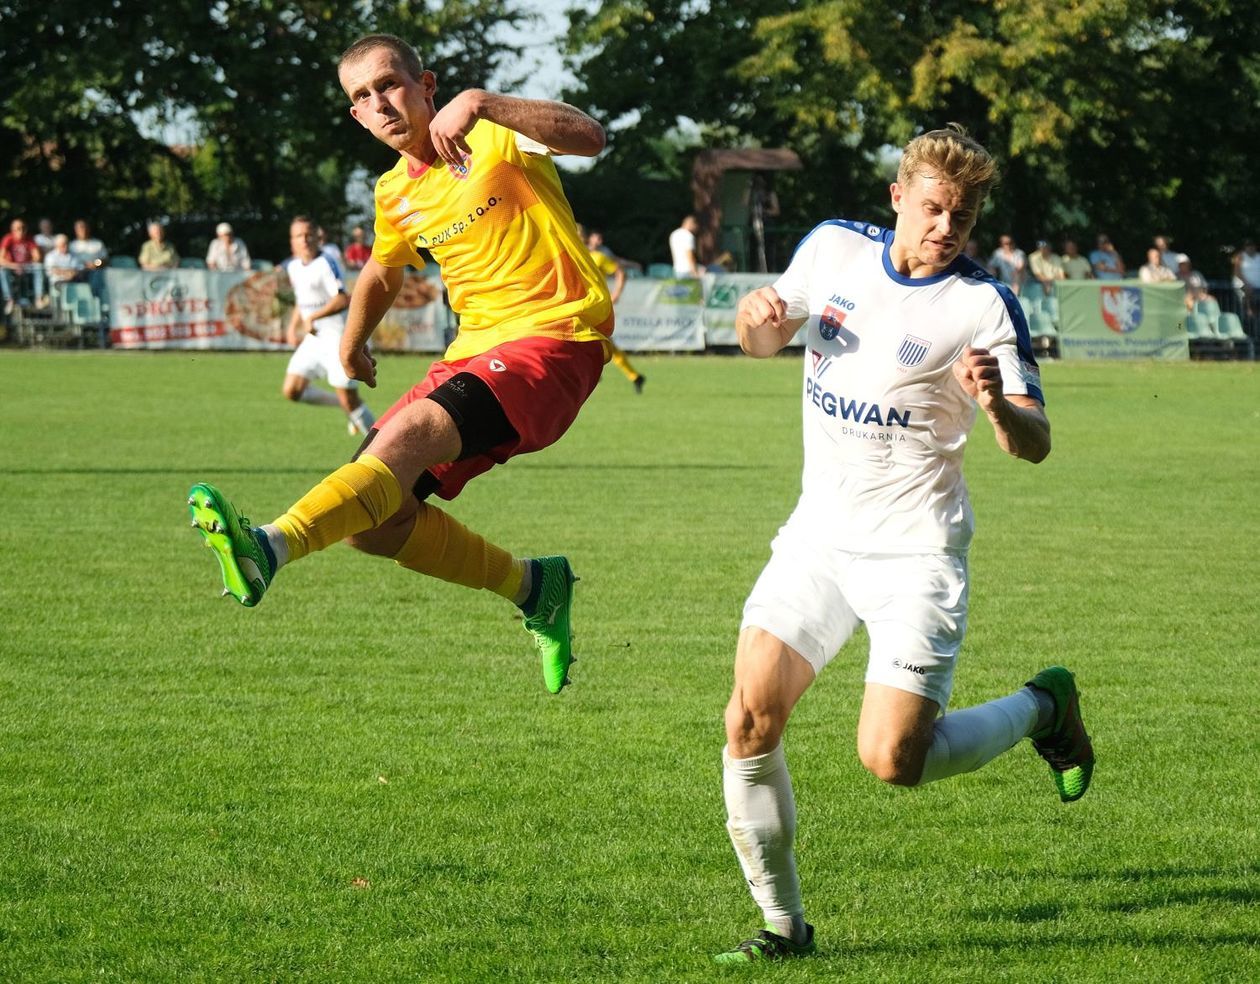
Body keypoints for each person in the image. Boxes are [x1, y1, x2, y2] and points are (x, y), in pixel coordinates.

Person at [714, 126, 1094, 965]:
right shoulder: (832, 251)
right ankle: (784, 928)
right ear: (898, 198)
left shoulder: (982, 305)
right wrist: (755, 321)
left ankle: (1044, 707)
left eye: (961, 215)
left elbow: (1036, 442)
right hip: (819, 536)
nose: (945, 226)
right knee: (748, 720)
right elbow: (763, 340)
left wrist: (996, 407)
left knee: (893, 760)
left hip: (915, 554)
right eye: (932, 207)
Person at [186, 33, 613, 696]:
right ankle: (535, 586)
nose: (380, 103)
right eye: (362, 97)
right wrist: (353, 342)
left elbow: (590, 136)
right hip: (474, 352)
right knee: (375, 523)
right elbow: (383, 269)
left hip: (555, 341)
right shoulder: (394, 193)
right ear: (356, 116)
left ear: (426, 85)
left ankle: (268, 546)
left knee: (411, 432)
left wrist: (485, 102)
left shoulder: (496, 135)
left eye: (389, 84)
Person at [279, 215, 378, 435]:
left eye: (308, 234)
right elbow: (302, 298)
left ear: (317, 237)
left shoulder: (326, 262)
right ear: (291, 241)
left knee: (350, 400)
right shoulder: (294, 266)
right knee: (291, 390)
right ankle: (342, 406)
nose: (304, 239)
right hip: (314, 340)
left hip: (337, 338)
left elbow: (342, 299)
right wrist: (293, 325)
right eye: (298, 236)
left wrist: (312, 318)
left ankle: (382, 449)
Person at [581, 223, 644, 392]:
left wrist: (616, 294)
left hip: (593, 307)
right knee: (601, 344)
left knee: (601, 344)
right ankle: (634, 377)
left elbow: (620, 272)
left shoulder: (598, 257)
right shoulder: (567, 255)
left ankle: (593, 371)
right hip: (577, 307)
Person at [0, 217, 46, 313]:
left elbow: (37, 257)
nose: (21, 231)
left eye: (23, 228)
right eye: (18, 228)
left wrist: (26, 264)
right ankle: (10, 300)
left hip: (26, 267)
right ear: (12, 230)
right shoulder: (8, 239)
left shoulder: (29, 239)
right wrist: (14, 266)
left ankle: (39, 298)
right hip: (12, 268)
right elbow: (1, 260)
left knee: (39, 267)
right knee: (2, 271)